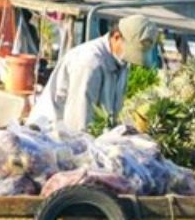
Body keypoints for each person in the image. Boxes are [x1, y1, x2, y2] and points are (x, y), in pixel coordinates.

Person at [28, 15, 160, 133]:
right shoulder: (89, 63)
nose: (131, 59)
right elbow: (77, 125)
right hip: (50, 136)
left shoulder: (122, 62)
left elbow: (111, 113)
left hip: (86, 135)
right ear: (116, 37)